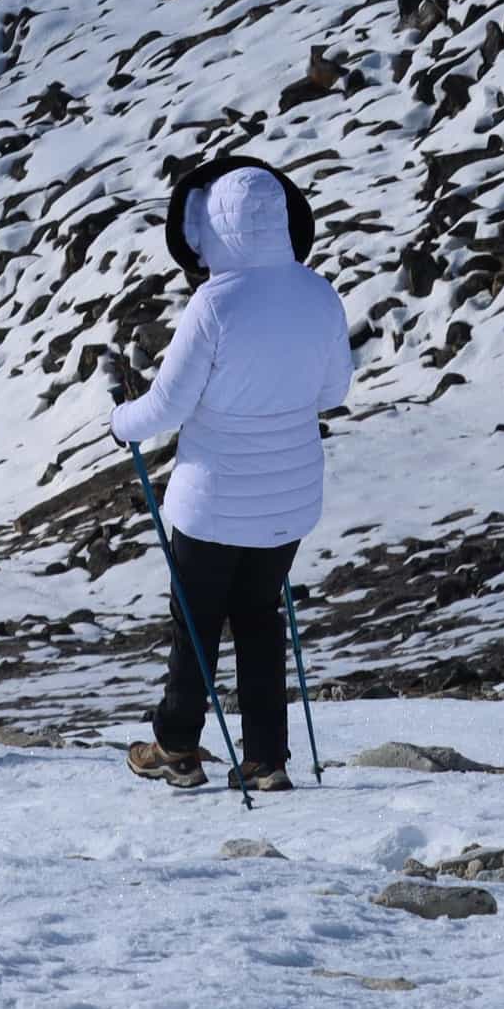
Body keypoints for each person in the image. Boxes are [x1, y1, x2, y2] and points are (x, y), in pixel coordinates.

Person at [109, 161, 353, 791]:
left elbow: (167, 405)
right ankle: (267, 758)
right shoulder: (318, 293)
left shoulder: (214, 304)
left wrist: (121, 421)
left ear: (212, 229)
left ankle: (177, 747)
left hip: (214, 498)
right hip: (290, 496)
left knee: (196, 618)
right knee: (259, 618)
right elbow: (333, 391)